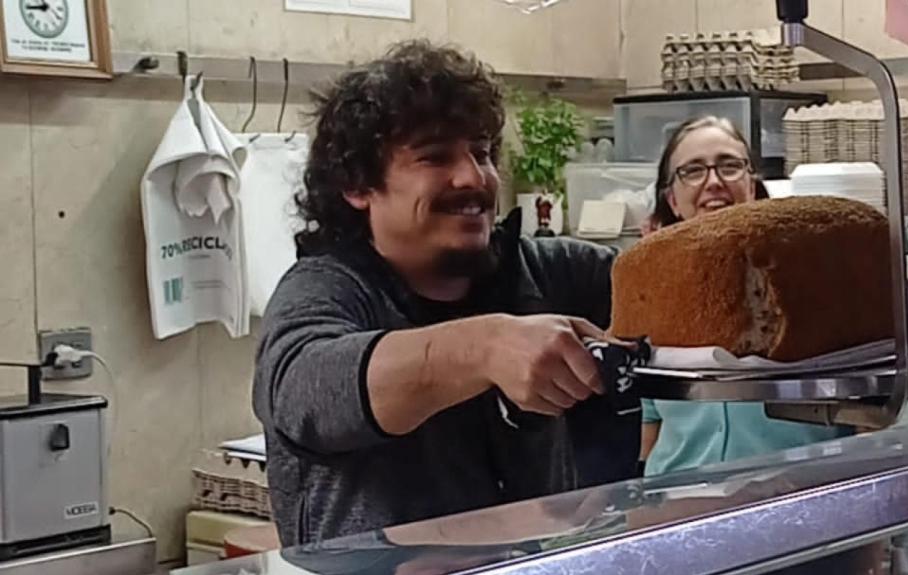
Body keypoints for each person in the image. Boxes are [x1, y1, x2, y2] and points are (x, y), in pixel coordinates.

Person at [252, 40, 634, 547]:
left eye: (481, 152)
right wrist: (486, 347)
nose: (472, 178)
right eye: (435, 157)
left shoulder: (546, 273)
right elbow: (309, 390)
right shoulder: (325, 289)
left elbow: (659, 290)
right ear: (358, 185)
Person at [639, 116, 849, 476]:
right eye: (692, 171)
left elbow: (867, 417)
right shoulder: (652, 293)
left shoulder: (812, 276)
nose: (714, 182)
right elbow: (652, 427)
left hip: (795, 505)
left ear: (751, 186)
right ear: (672, 199)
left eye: (729, 166)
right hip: (679, 508)